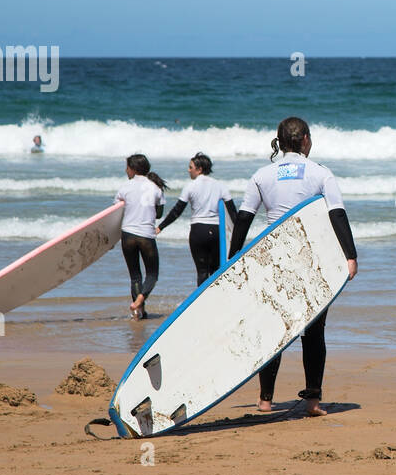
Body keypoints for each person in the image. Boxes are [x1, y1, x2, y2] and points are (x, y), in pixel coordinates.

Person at [226, 117, 358, 417]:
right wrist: (350, 256)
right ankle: (312, 402)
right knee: (314, 332)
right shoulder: (320, 173)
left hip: (273, 260)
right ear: (306, 139)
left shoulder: (262, 175)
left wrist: (233, 259)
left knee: (273, 328)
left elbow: (244, 218)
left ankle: (265, 400)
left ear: (280, 141)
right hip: (310, 261)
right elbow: (337, 214)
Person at [157, 152, 236, 286]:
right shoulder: (220, 186)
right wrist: (239, 235)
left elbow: (177, 211)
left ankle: (203, 304)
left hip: (198, 231)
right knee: (216, 271)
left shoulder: (190, 186)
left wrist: (161, 227)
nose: (188, 170)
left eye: (190, 167)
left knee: (202, 272)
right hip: (217, 231)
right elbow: (233, 213)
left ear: (199, 169)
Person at [115, 154, 167, 320]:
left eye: (127, 167)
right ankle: (140, 301)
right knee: (152, 274)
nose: (126, 170)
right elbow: (159, 214)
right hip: (146, 235)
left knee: (135, 276)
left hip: (127, 235)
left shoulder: (124, 188)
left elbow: (115, 214)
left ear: (134, 169)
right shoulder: (156, 188)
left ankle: (138, 312)